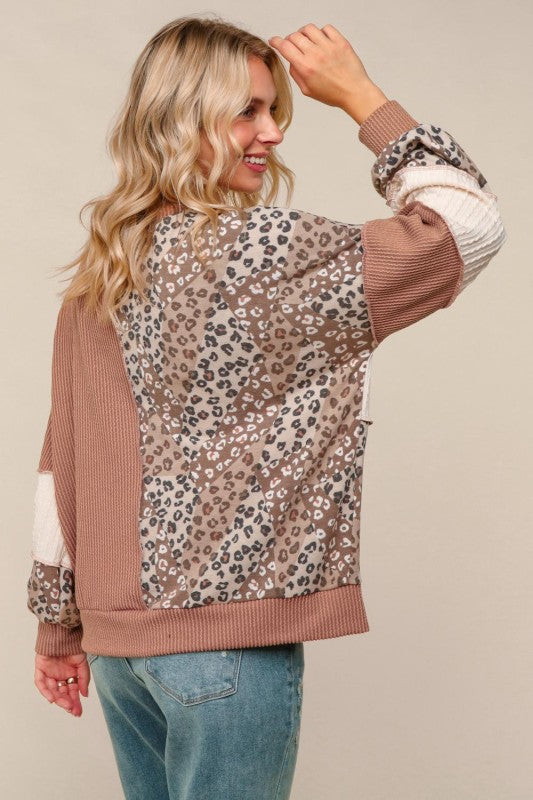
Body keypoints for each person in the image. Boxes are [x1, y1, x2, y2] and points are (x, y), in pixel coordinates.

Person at [26, 14, 506, 800]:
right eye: (247, 110)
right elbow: (469, 227)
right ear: (181, 119)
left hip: (122, 657)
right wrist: (360, 97)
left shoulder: (106, 267)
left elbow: (64, 459)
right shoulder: (258, 254)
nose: (274, 132)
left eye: (275, 108)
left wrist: (59, 627)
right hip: (223, 652)